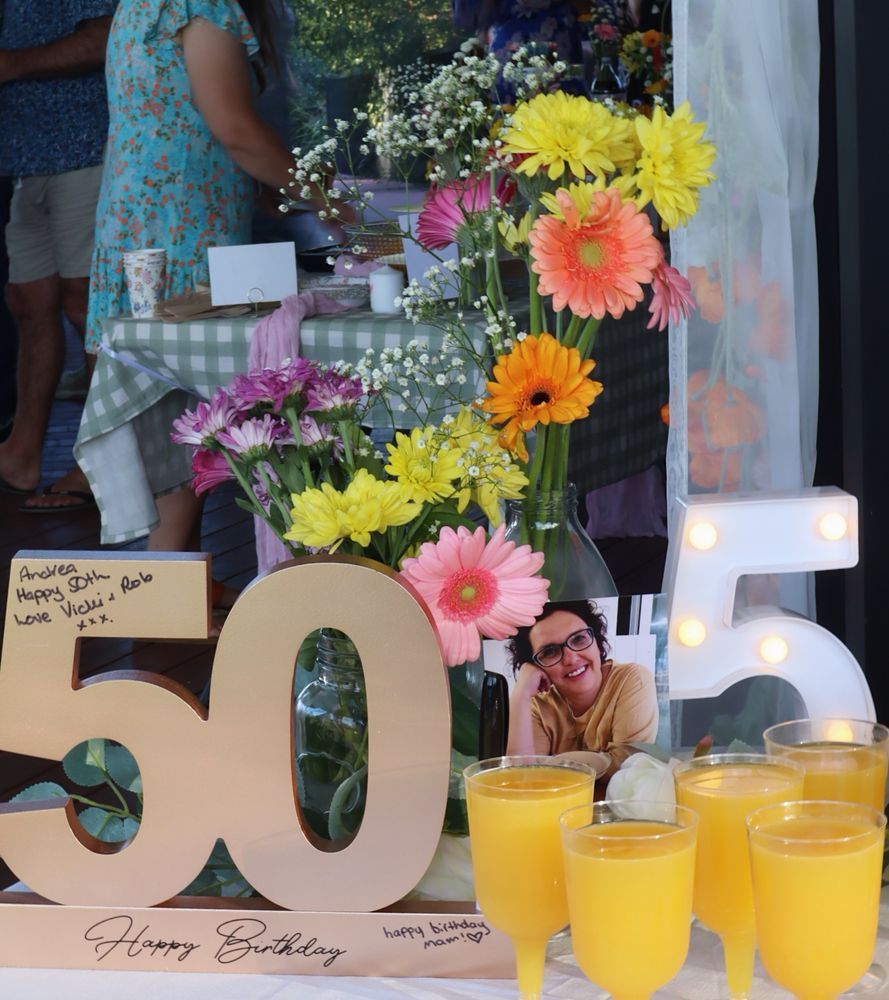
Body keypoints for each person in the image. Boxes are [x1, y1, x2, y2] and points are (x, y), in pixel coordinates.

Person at [80, 0, 353, 563]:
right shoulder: (197, 5)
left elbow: (165, 121)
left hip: (141, 221)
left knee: (174, 411)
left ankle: (171, 576)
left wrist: (256, 188)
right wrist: (339, 205)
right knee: (211, 403)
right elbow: (235, 128)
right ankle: (260, 574)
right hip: (181, 230)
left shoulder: (140, 5)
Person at [0, 3, 115, 508]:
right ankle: (20, 457)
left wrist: (11, 64)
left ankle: (101, 467)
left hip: (85, 150)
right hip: (24, 158)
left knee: (84, 306)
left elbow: (104, 38)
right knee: (28, 304)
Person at [506, 599, 658, 783]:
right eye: (550, 651)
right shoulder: (538, 705)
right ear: (536, 666)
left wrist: (550, 769)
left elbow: (629, 767)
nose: (571, 658)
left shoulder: (632, 678)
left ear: (597, 641)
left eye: (579, 639)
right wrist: (520, 694)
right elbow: (523, 779)